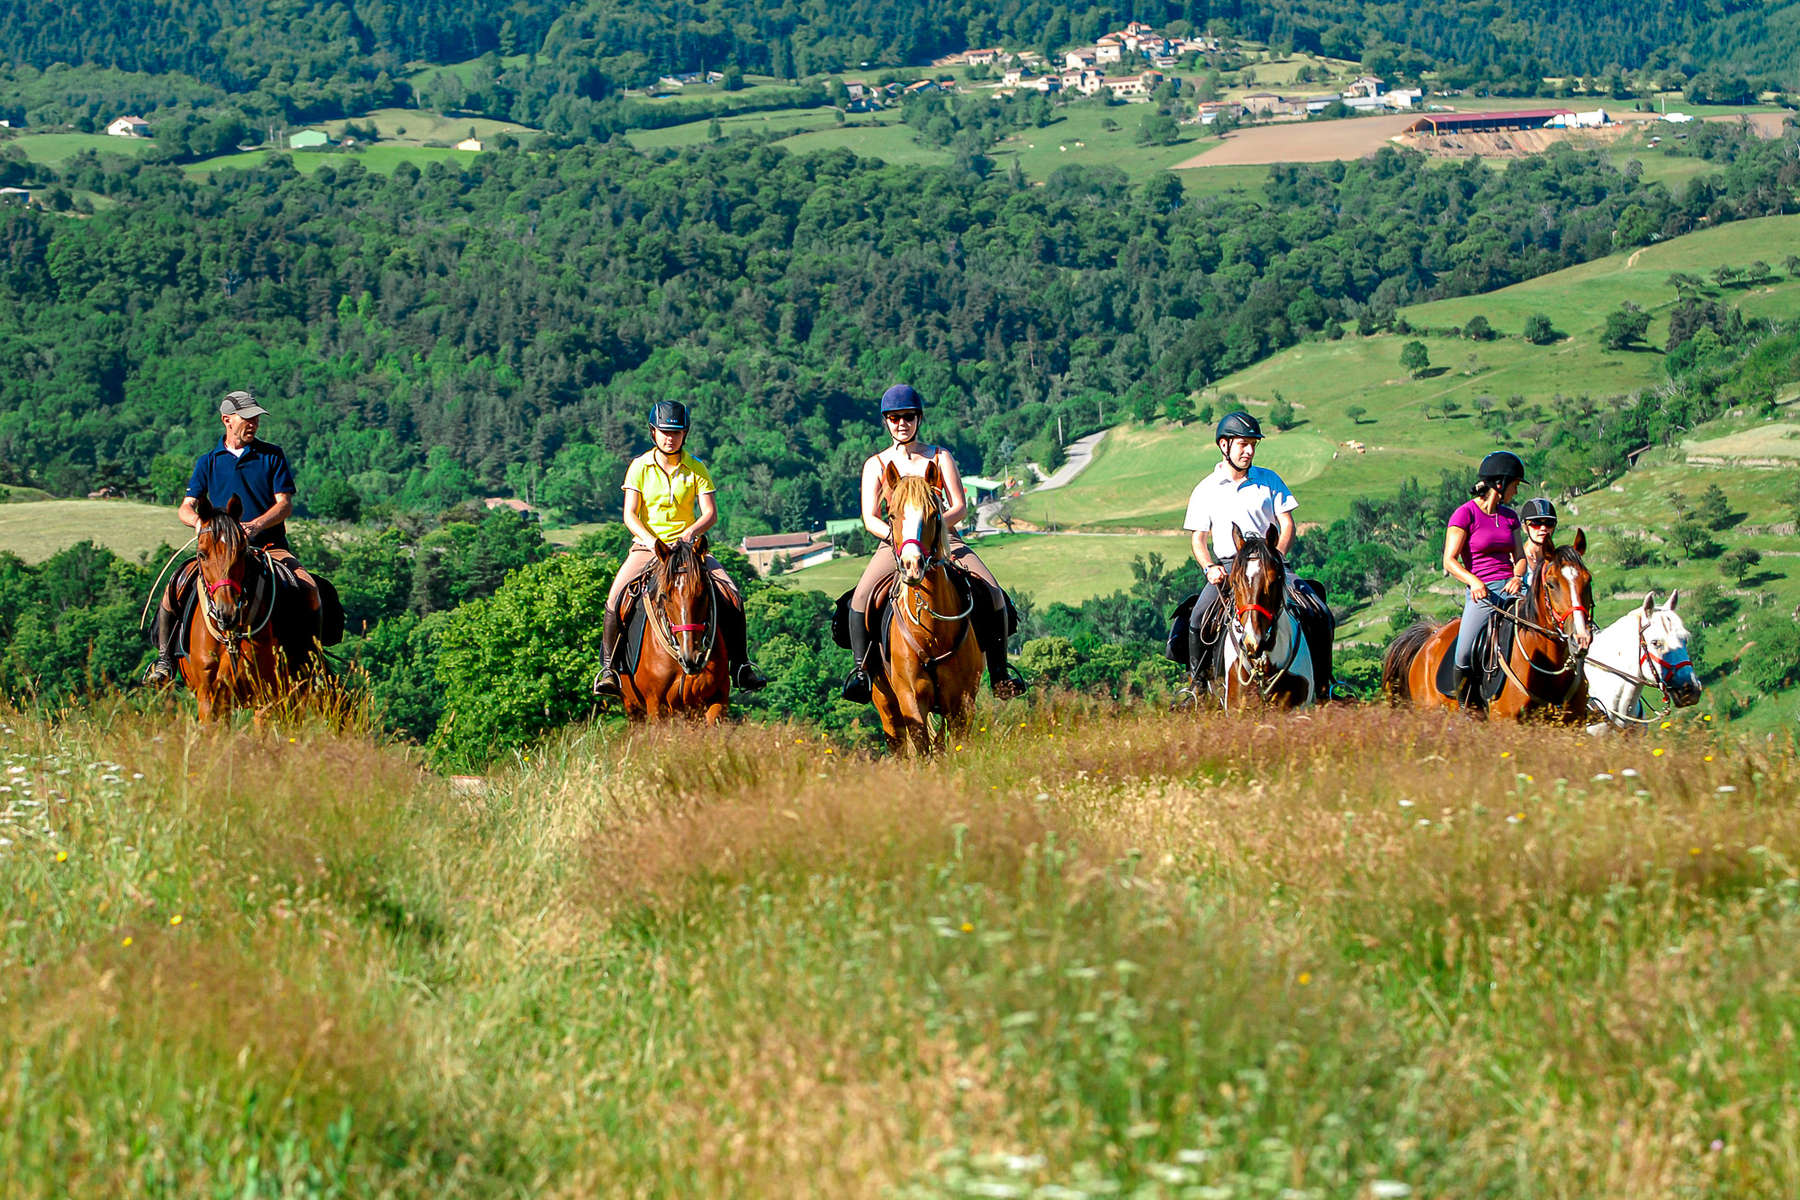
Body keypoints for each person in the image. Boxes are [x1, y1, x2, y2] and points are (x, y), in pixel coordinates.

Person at [840, 383, 1026, 703]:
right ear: (886, 421)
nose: (902, 423)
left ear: (919, 419)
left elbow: (960, 506)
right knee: (861, 597)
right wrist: (900, 539)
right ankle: (861, 672)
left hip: (944, 540)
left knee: (993, 592)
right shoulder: (876, 465)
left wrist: (933, 531)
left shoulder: (940, 457)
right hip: (896, 544)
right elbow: (869, 516)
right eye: (895, 418)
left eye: (908, 417)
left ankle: (999, 674)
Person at [143, 390, 320, 686]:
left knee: (309, 588)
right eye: (247, 418)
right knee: (173, 586)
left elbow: (284, 504)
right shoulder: (208, 462)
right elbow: (186, 507)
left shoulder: (271, 455)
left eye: (256, 419)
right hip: (218, 551)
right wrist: (201, 524)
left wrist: (256, 525)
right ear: (227, 420)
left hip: (268, 546)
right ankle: (165, 660)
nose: (254, 424)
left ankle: (311, 665)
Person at [592, 401, 766, 697]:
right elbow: (629, 515)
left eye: (676, 432)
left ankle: (741, 665)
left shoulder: (696, 467)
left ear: (685, 434)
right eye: (664, 432)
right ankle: (609, 669)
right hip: (648, 548)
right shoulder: (639, 467)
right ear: (653, 432)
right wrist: (651, 541)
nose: (669, 438)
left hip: (688, 550)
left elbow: (710, 513)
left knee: (732, 594)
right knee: (616, 594)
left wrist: (689, 533)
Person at [1181, 411, 1329, 688]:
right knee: (1199, 615)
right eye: (1242, 444)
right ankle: (1197, 686)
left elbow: (1287, 524)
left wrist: (1278, 557)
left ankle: (1325, 683)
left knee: (1318, 610)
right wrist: (1209, 568)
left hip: (1272, 564)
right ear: (1224, 445)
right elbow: (1198, 539)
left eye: (1253, 445)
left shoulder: (1270, 480)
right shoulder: (1205, 489)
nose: (1249, 451)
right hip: (1229, 566)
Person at [1443, 451, 1527, 709]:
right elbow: (1449, 560)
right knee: (1465, 651)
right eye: (1515, 485)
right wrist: (1474, 582)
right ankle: (1466, 707)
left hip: (1512, 587)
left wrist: (1517, 575)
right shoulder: (1464, 514)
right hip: (1482, 592)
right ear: (1500, 484)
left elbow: (1520, 557)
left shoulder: (1511, 516)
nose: (1516, 491)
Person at [1515, 497, 1558, 587]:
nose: (1543, 528)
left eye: (1549, 523)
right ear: (1524, 527)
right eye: (1536, 523)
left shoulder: (1558, 560)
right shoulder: (1515, 560)